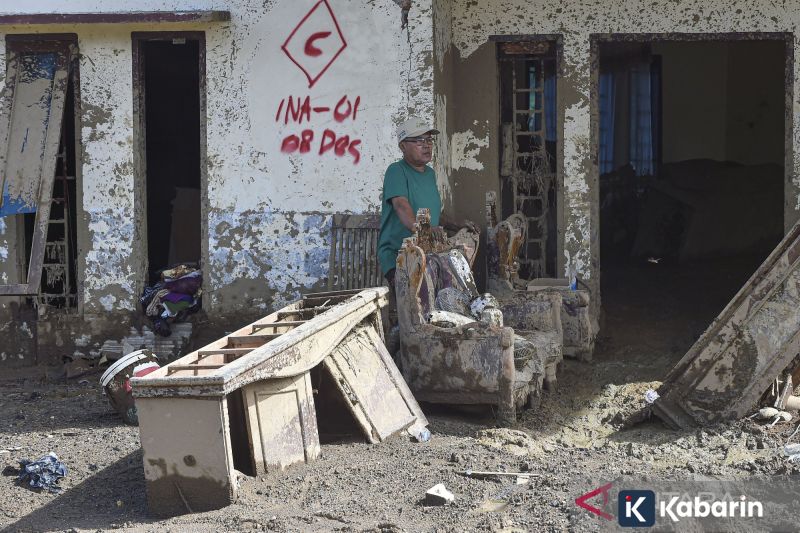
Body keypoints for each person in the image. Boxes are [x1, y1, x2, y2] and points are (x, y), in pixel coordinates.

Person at [378, 116, 477, 286]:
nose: (426, 145)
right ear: (403, 146)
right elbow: (401, 206)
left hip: (427, 252)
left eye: (429, 140)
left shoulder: (430, 174)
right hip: (400, 256)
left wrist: (457, 224)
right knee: (420, 296)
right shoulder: (396, 171)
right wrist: (424, 230)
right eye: (419, 141)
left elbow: (435, 212)